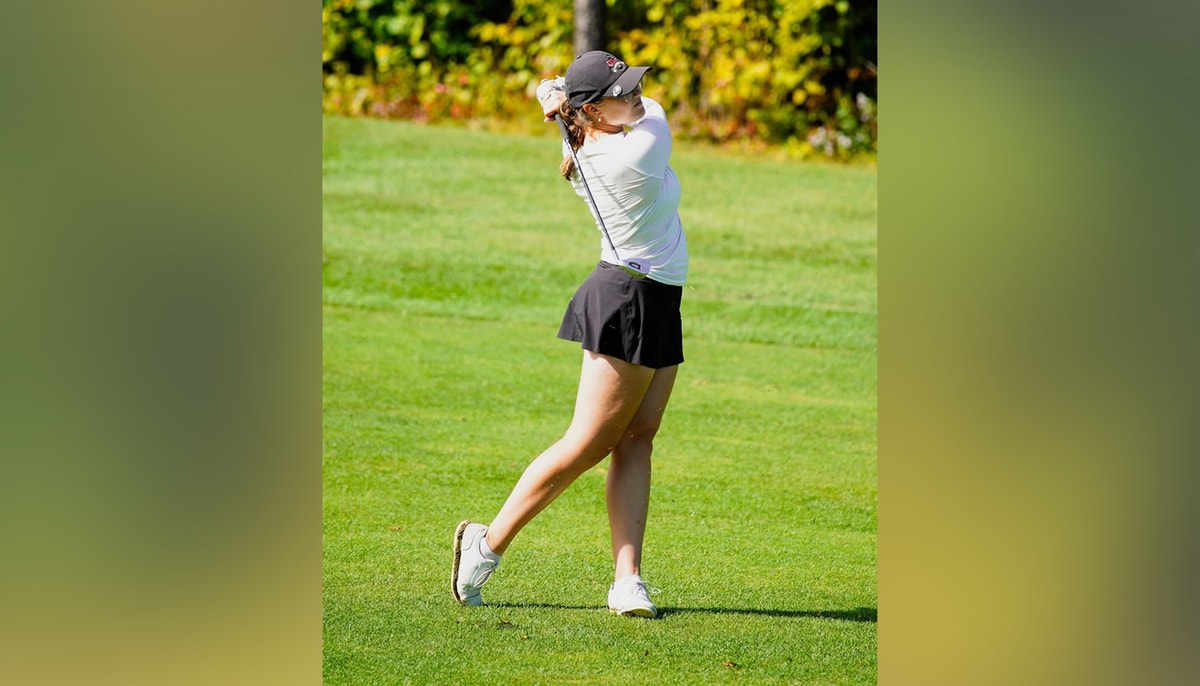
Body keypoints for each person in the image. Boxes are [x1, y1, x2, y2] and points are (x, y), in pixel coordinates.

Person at [451, 50, 688, 619]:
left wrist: (552, 95)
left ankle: (626, 581)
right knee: (587, 444)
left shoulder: (585, 138)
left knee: (639, 437)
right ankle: (485, 545)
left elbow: (566, 99)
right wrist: (556, 96)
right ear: (591, 109)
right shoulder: (638, 149)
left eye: (633, 84)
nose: (634, 95)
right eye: (621, 91)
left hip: (657, 297)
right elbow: (656, 111)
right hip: (627, 298)